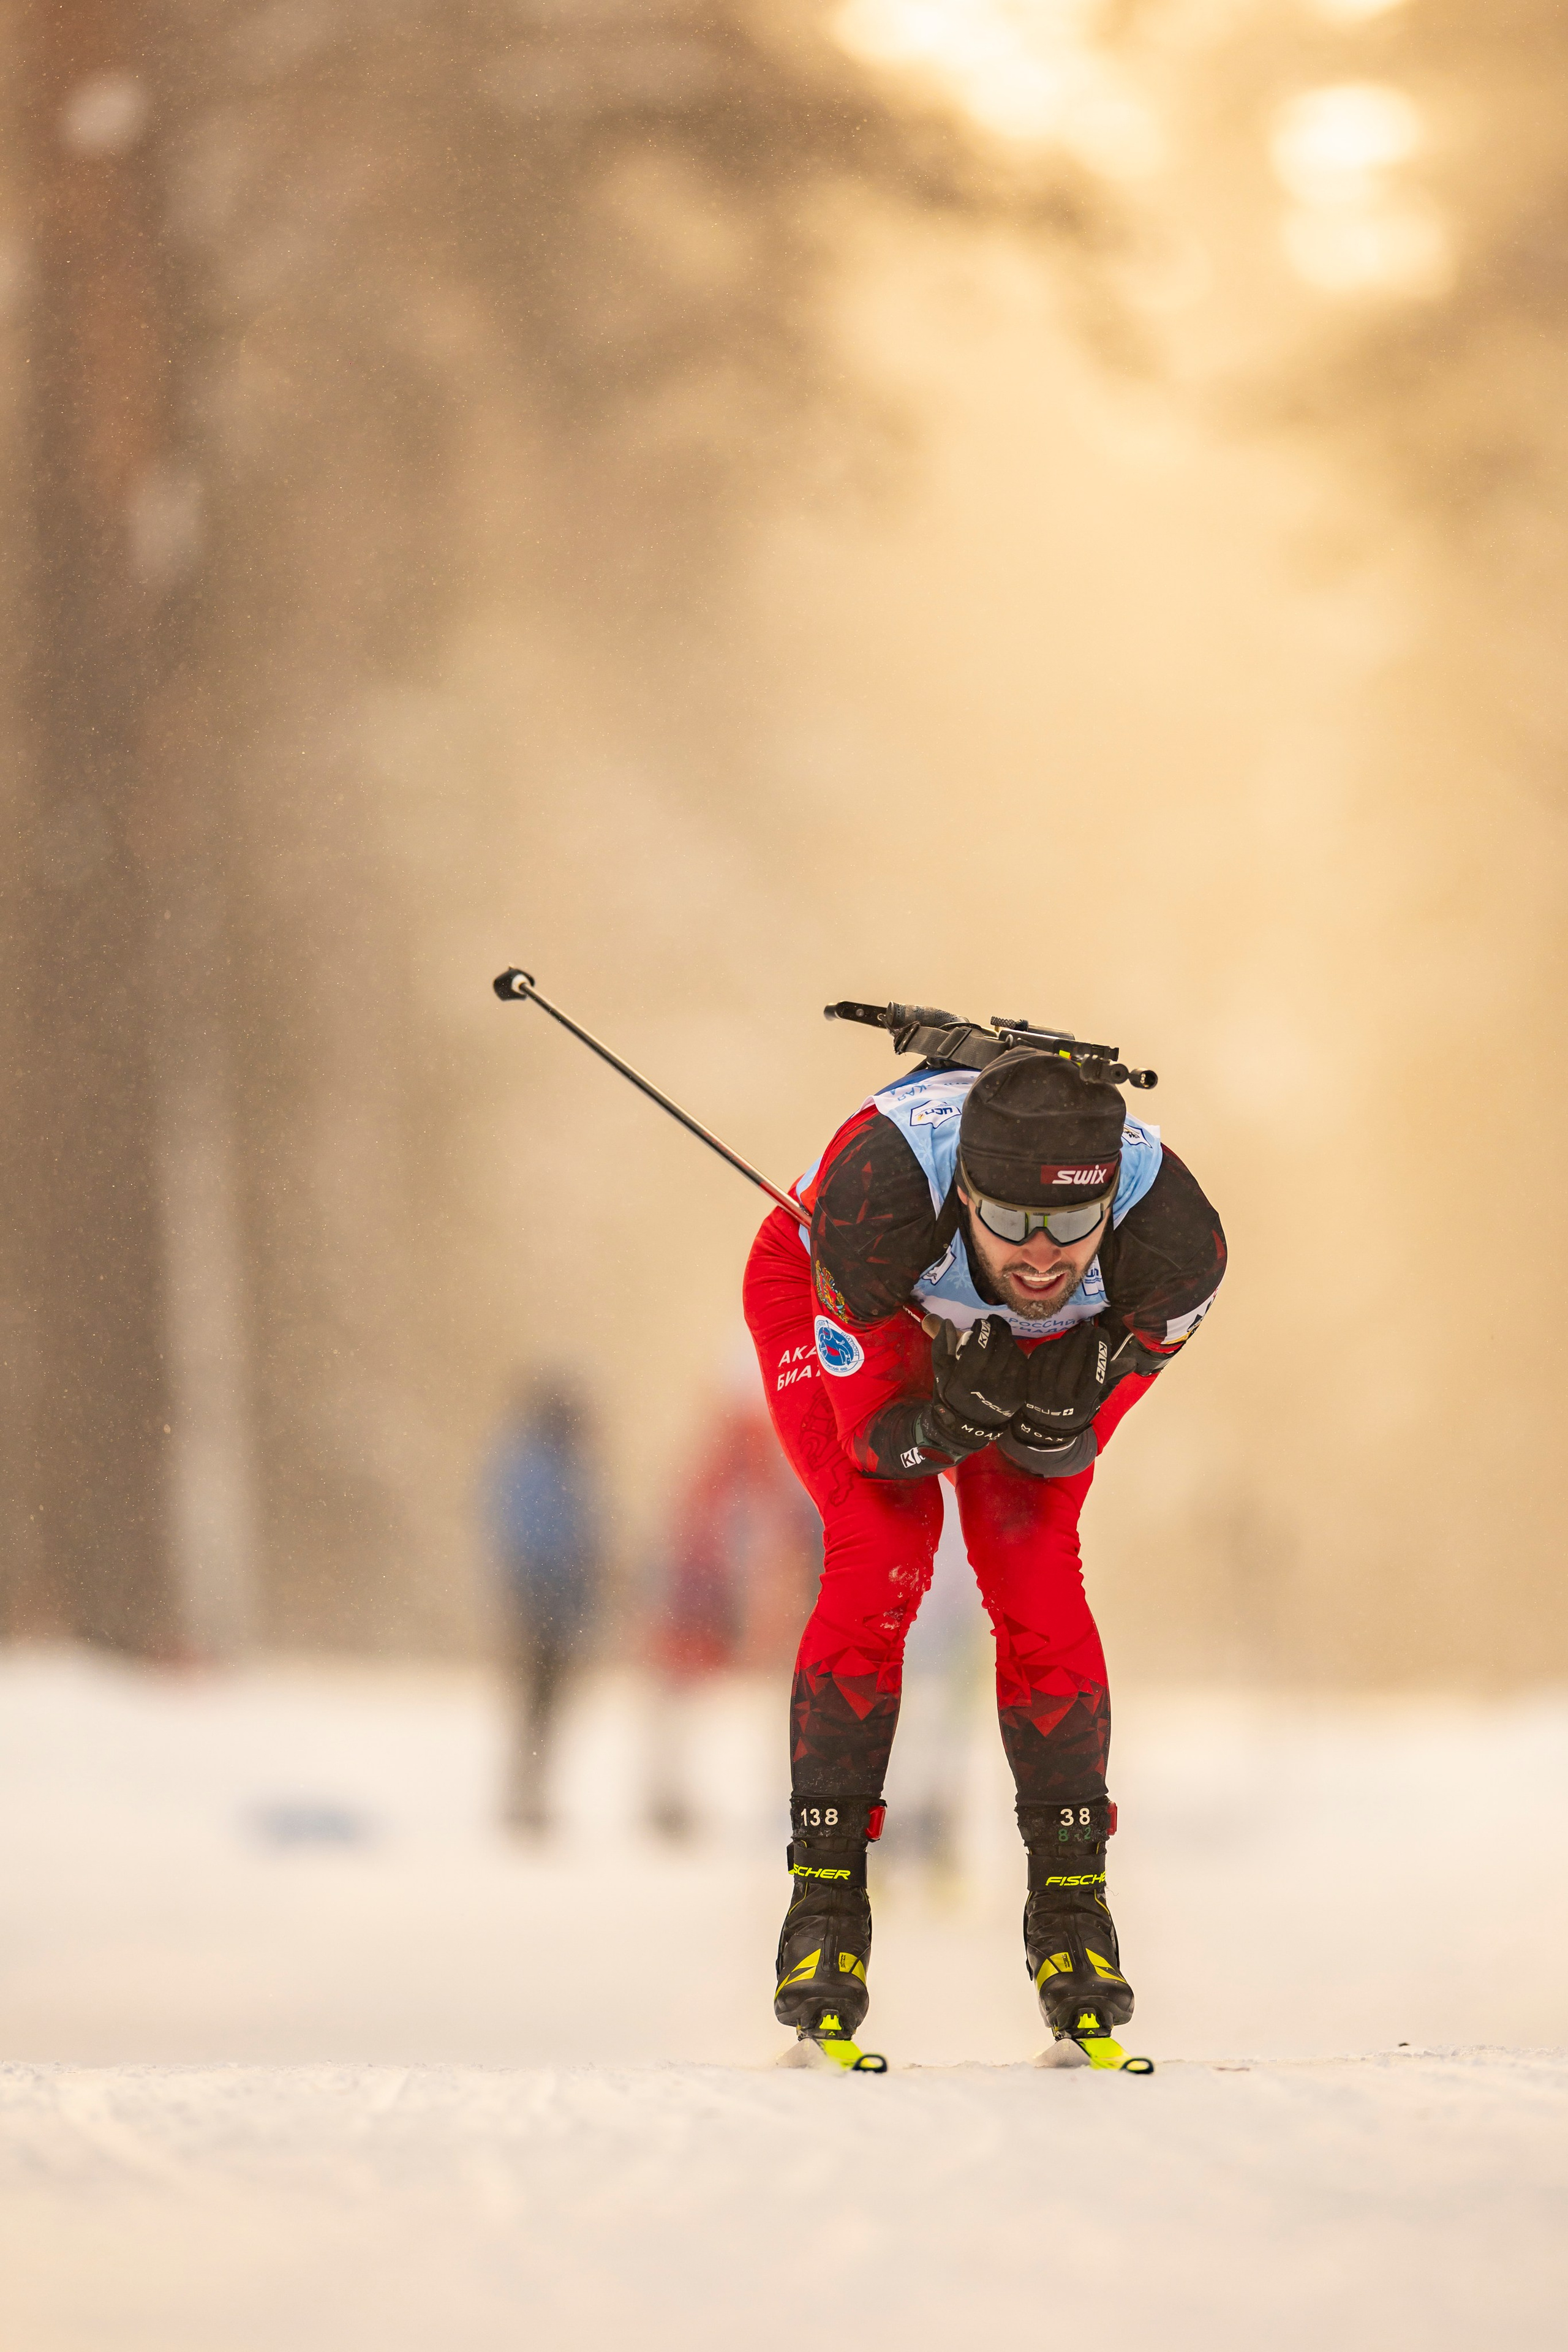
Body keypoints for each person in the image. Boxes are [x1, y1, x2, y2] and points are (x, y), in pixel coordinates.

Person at [743, 1046, 1226, 2061]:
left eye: (1071, 1227)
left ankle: (1072, 1916)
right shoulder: (874, 1213)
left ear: (1114, 1210)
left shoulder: (1176, 1247)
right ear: (963, 1190)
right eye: (1007, 1223)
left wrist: (1069, 1406)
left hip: (1038, 1346)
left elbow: (1084, 1428)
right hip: (848, 1298)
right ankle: (823, 1911)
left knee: (1032, 1567)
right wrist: (952, 1420)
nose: (1041, 1256)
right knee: (884, 1551)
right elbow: (877, 1438)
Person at [483, 1376, 600, 1833]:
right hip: (542, 1602)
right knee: (538, 1703)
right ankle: (524, 1798)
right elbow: (543, 1537)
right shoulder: (542, 1461)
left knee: (542, 1705)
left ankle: (529, 1794)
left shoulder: (547, 1460)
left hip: (548, 1602)